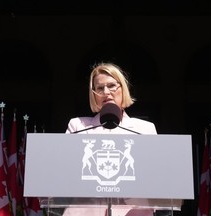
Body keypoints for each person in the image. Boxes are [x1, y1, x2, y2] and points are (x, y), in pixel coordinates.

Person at [64, 62, 157, 216]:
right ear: (93, 94)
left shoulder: (145, 129)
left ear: (123, 89)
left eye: (112, 85)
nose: (106, 92)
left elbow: (155, 177)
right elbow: (65, 172)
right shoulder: (78, 126)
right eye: (100, 88)